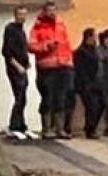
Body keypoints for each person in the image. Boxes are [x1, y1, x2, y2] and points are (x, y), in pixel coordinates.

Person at [29, 2, 74, 139]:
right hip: (46, 68)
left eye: (54, 10)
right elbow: (31, 46)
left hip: (63, 66)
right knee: (48, 98)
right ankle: (46, 128)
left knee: (61, 99)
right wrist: (46, 46)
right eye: (49, 10)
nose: (52, 13)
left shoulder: (61, 26)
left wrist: (69, 62)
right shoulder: (38, 27)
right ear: (44, 11)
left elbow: (66, 44)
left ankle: (59, 128)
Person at [2, 6, 33, 140]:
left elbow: (22, 49)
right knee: (19, 96)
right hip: (15, 69)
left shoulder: (22, 31)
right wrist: (17, 65)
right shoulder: (10, 29)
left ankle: (21, 125)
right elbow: (6, 51)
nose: (23, 17)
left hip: (23, 68)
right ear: (15, 15)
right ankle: (13, 126)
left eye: (25, 14)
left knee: (23, 98)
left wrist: (27, 63)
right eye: (20, 14)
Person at [72, 28, 106, 139]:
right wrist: (85, 84)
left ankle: (92, 127)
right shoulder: (81, 52)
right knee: (91, 106)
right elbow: (80, 70)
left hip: (97, 83)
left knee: (102, 103)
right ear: (88, 37)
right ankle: (90, 130)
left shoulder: (95, 50)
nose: (95, 39)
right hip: (85, 84)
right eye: (93, 37)